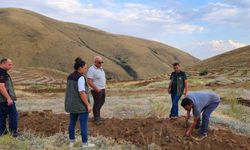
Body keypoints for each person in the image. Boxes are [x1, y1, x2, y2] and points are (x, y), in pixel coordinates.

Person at [65, 57, 95, 148]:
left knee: (72, 123)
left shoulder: (69, 77)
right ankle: (85, 144)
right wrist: (88, 105)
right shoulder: (81, 78)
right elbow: (82, 92)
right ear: (80, 67)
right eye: (85, 68)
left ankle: (71, 142)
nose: (85, 70)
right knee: (83, 125)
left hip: (72, 105)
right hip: (81, 106)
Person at [0, 58, 18, 137]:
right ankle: (13, 133)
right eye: (9, 64)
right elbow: (1, 87)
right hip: (4, 99)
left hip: (1, 100)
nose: (11, 66)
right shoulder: (1, 72)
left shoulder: (3, 72)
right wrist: (8, 98)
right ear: (3, 64)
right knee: (13, 114)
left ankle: (2, 132)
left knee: (2, 116)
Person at [87, 56, 106, 125]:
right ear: (95, 62)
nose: (101, 63)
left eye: (101, 62)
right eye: (99, 62)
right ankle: (96, 119)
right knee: (97, 103)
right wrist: (96, 89)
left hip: (102, 89)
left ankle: (98, 116)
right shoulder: (91, 69)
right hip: (96, 90)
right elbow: (89, 81)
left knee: (102, 101)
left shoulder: (100, 68)